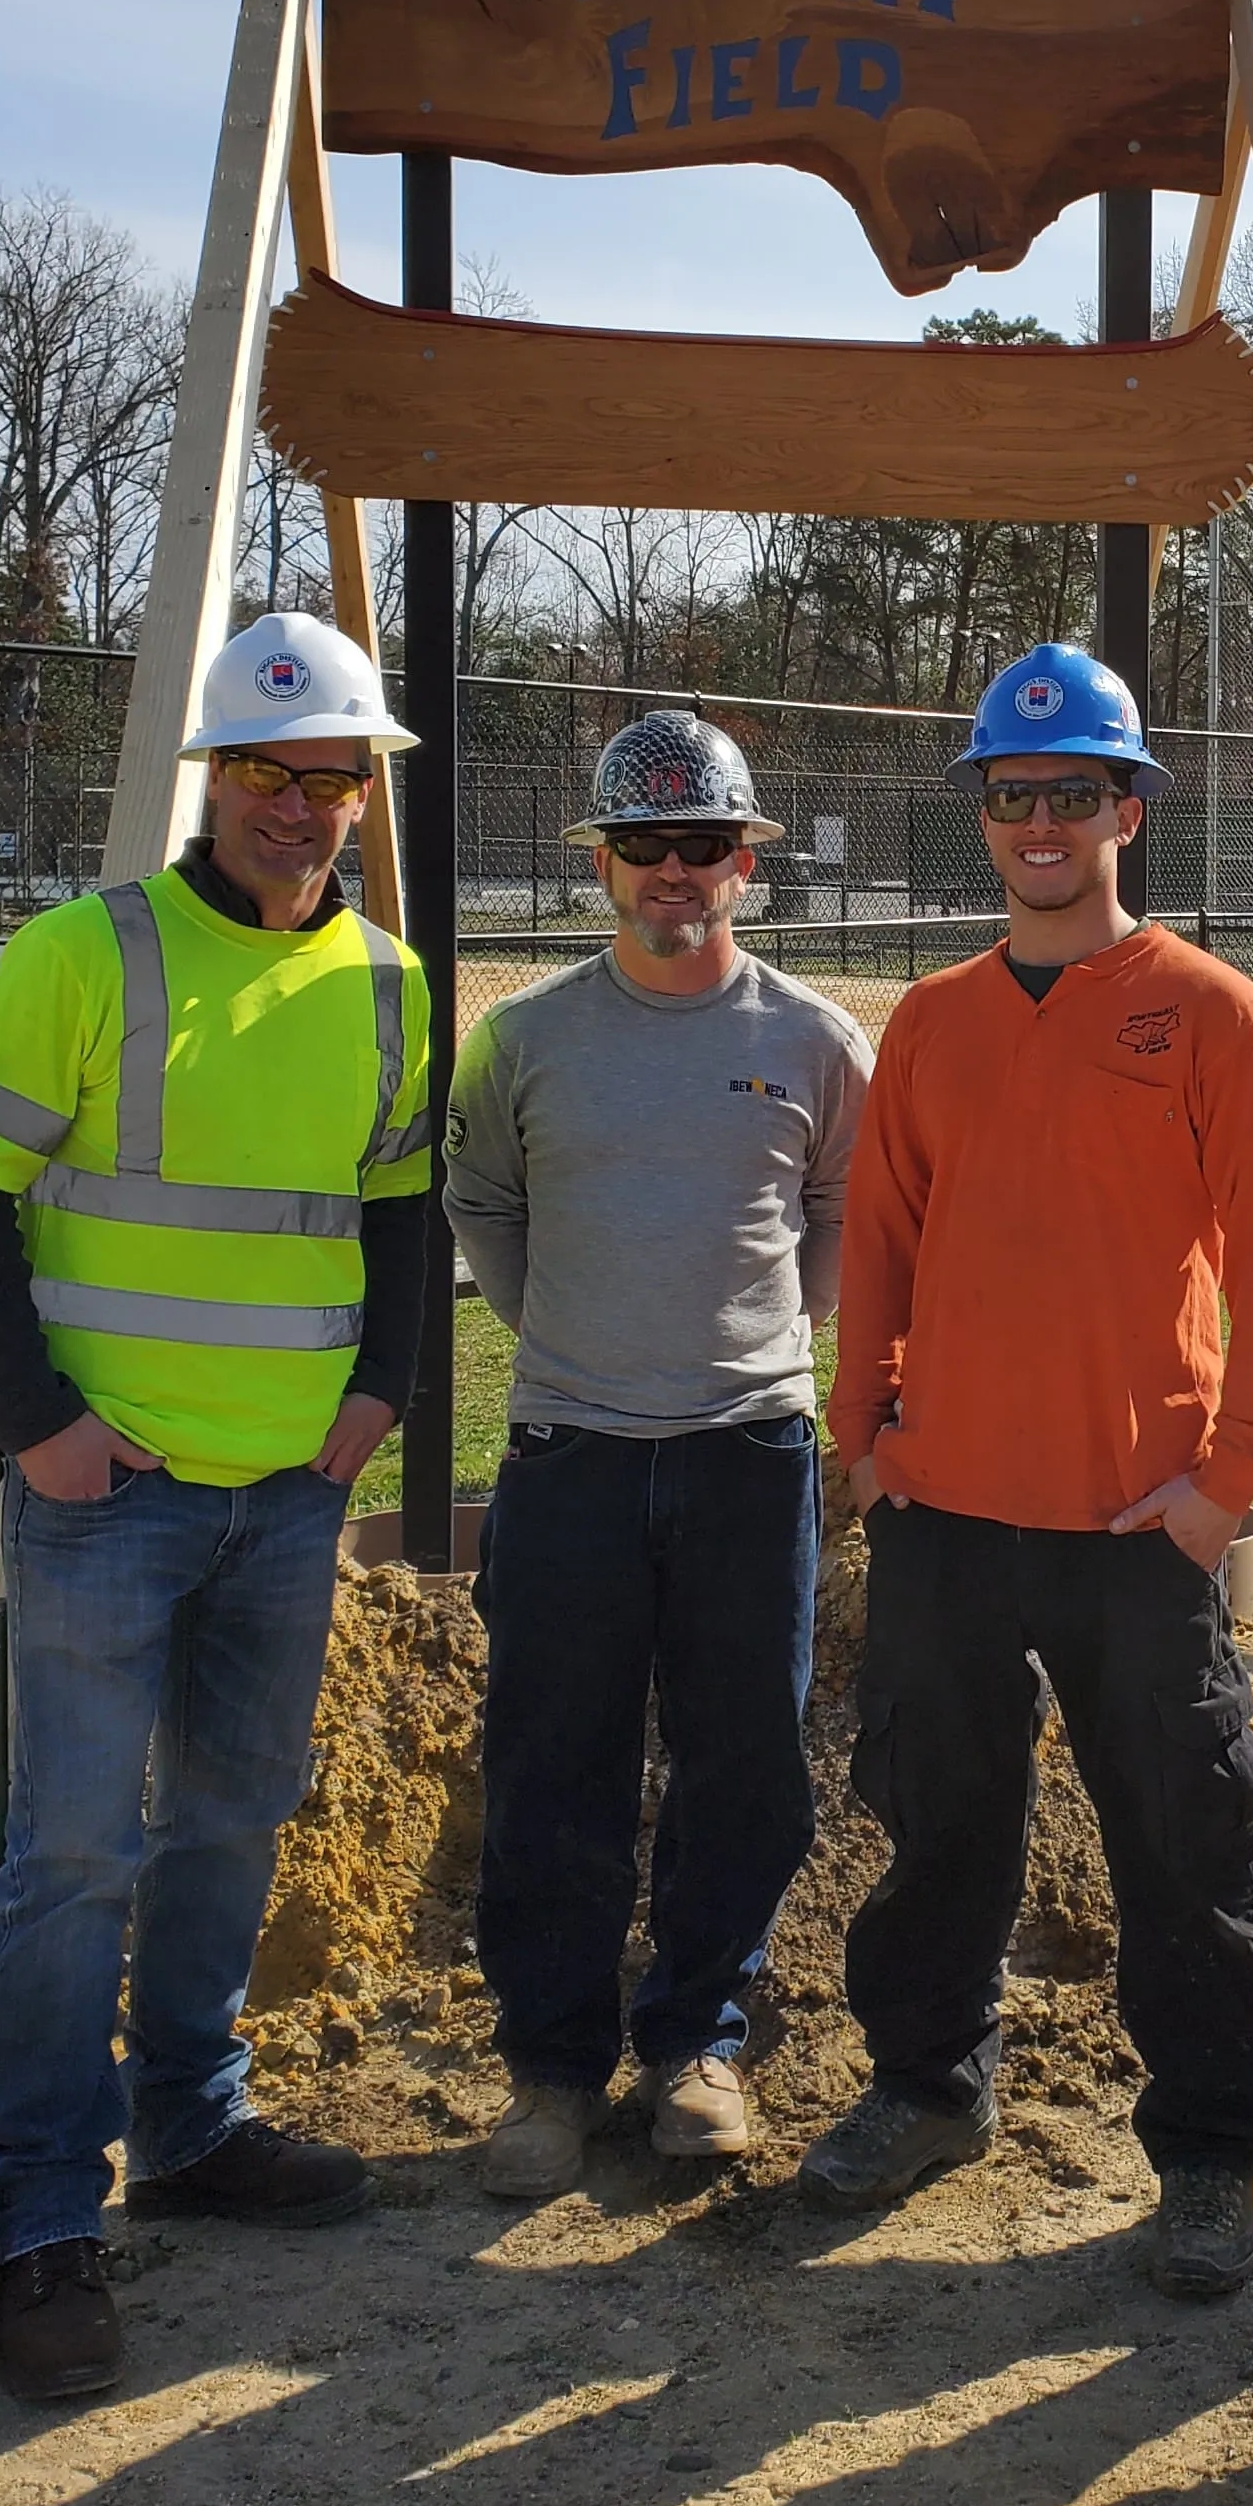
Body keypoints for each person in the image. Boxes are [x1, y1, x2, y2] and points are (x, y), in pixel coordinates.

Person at [0, 609, 432, 2406]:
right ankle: (49, 2211)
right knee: (70, 1855)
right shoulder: (86, 952)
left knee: (230, 1818)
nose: (300, 806)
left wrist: (378, 1407)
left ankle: (191, 2124)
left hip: (286, 1495)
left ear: (364, 794)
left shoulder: (386, 982)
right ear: (214, 778)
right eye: (271, 773)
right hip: (106, 1491)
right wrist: (32, 1422)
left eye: (331, 776)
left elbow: (397, 1214)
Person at [804, 643, 1253, 2302]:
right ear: (983, 816)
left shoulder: (1209, 1013)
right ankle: (929, 2088)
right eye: (1013, 796)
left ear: (1130, 810)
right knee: (936, 1821)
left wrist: (1224, 1485)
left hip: (1133, 1522)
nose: (1042, 822)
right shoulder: (938, 1023)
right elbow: (877, 1240)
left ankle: (1209, 2155)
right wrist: (867, 1438)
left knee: (1186, 1837)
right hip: (950, 1509)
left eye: (1074, 795)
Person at [440, 712, 870, 2189]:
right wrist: (578, 1332)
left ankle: (699, 2042)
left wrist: (754, 1338)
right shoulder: (524, 1040)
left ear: (746, 863)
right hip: (574, 1454)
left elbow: (841, 1217)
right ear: (604, 866)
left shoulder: (814, 1040)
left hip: (751, 1451)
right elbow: (485, 1212)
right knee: (555, 1759)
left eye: (703, 847)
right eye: (644, 848)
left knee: (743, 1760)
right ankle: (551, 2075)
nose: (674, 874)